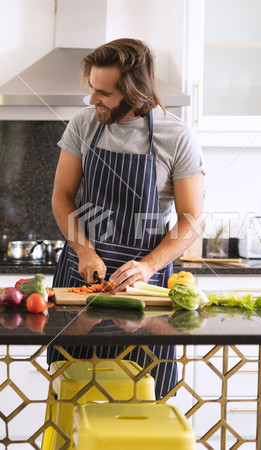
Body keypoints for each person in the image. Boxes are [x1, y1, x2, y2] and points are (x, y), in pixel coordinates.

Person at [47, 38, 204, 399]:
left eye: (103, 93)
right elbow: (62, 197)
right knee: (73, 395)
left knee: (145, 400)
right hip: (80, 282)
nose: (92, 100)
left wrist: (147, 267)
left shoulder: (176, 136)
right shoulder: (84, 124)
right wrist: (85, 252)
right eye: (91, 88)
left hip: (143, 292)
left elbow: (192, 218)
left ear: (134, 92)